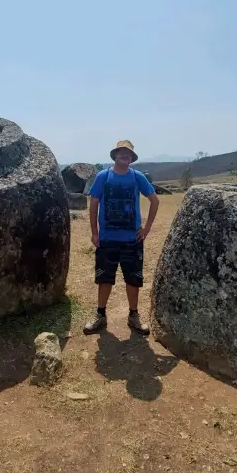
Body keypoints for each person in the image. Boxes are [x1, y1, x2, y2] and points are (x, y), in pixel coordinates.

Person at [84, 140, 160, 336]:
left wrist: (147, 228)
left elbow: (155, 200)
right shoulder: (103, 176)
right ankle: (100, 315)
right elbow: (94, 204)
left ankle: (133, 316)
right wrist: (94, 232)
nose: (125, 156)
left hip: (132, 240)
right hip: (107, 239)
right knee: (104, 278)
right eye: (121, 152)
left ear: (131, 158)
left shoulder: (137, 177)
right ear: (115, 155)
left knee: (133, 279)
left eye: (128, 154)